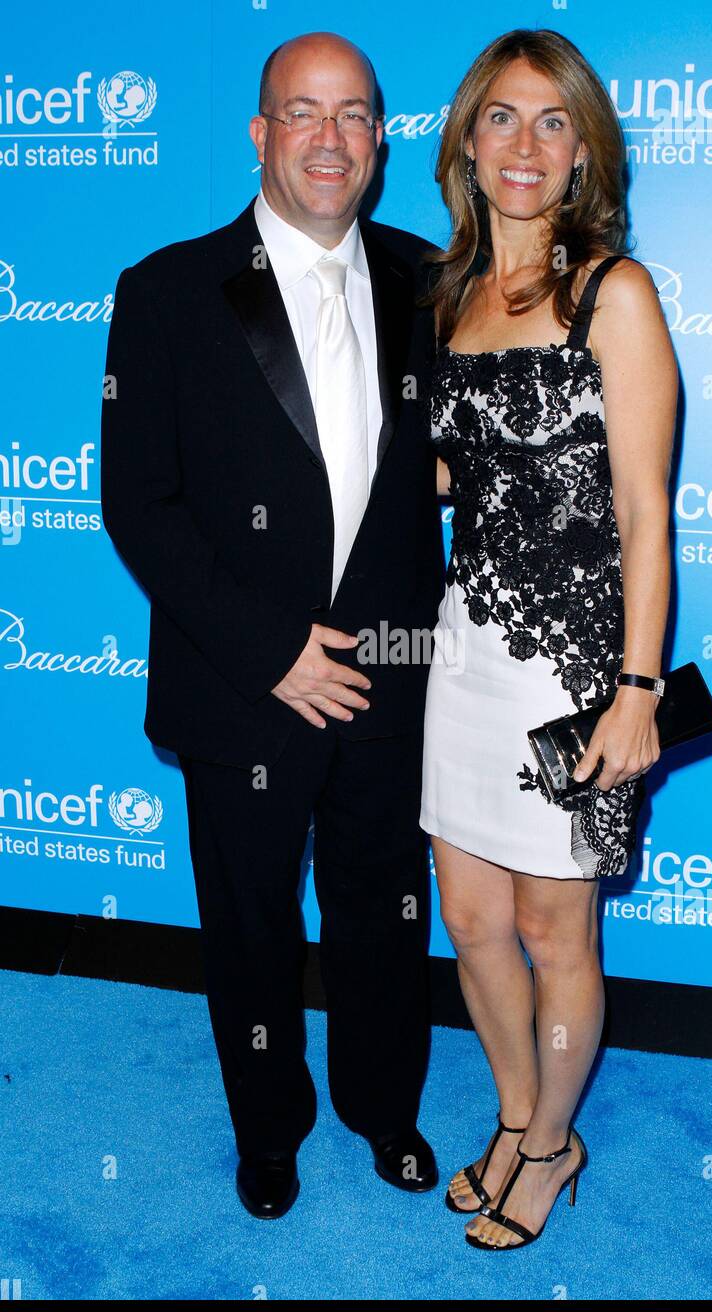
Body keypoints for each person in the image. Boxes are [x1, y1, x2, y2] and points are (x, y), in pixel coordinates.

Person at [100, 31, 446, 1219]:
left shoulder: (427, 280)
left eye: (353, 114)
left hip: (393, 674)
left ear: (380, 141)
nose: (328, 137)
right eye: (303, 112)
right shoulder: (165, 292)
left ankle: (383, 1107)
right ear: (260, 134)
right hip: (241, 678)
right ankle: (268, 1127)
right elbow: (137, 505)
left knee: (385, 903)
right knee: (248, 920)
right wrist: (273, 651)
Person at [419, 28, 678, 1249]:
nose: (524, 145)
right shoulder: (447, 292)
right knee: (468, 917)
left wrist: (635, 689)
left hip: (574, 661)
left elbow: (641, 512)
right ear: (467, 139)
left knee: (551, 925)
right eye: (501, 119)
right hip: (463, 647)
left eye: (551, 122)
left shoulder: (610, 292)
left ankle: (551, 1141)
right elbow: (438, 476)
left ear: (582, 153)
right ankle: (522, 1116)